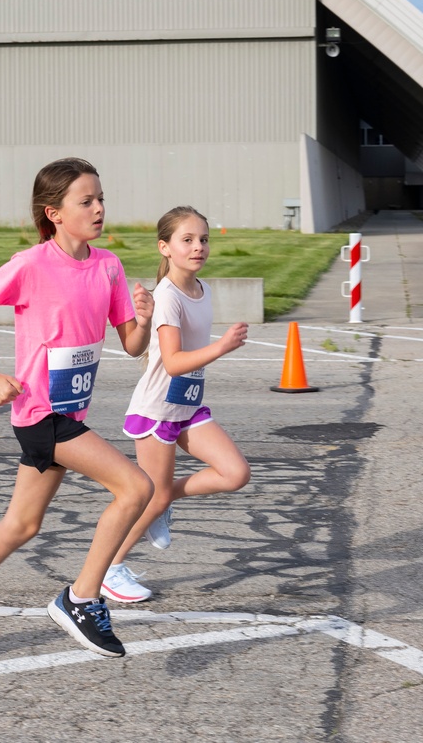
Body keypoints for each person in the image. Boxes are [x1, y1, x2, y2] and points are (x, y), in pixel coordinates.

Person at [0, 157, 154, 664]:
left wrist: (145, 319)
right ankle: (81, 599)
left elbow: (131, 345)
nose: (98, 208)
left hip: (71, 412)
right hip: (41, 412)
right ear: (55, 212)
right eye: (85, 201)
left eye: (100, 198)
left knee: (22, 525)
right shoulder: (31, 265)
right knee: (136, 487)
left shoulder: (108, 266)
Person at [101, 205, 251, 603]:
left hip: (188, 405)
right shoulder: (167, 297)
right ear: (165, 248)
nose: (198, 246)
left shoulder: (202, 290)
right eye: (187, 240)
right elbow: (173, 361)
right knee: (155, 494)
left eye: (203, 239)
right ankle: (109, 570)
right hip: (157, 412)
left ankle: (164, 500)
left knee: (235, 473)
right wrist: (222, 347)